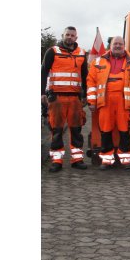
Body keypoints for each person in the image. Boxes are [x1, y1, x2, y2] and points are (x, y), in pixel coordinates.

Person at [87, 36, 130, 170]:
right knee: (105, 130)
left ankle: (126, 159)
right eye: (115, 44)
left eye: (120, 44)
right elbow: (91, 82)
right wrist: (91, 101)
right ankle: (106, 159)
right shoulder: (98, 62)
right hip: (105, 101)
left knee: (124, 130)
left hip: (124, 102)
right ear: (110, 45)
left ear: (124, 46)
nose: (118, 46)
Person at [42, 26, 89, 172]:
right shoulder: (52, 51)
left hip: (75, 98)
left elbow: (85, 76)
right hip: (56, 97)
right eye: (67, 34)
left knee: (76, 130)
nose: (69, 37)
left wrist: (85, 94)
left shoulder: (81, 53)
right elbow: (43, 72)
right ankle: (57, 160)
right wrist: (41, 93)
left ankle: (77, 159)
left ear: (76, 37)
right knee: (56, 130)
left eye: (72, 35)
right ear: (63, 35)